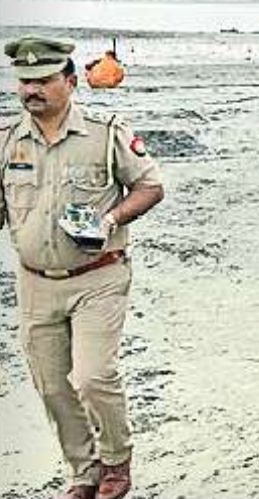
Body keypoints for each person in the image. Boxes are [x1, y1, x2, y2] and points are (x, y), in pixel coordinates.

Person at [1, 36, 165, 499]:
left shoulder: (104, 131)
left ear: (70, 82)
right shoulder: (7, 141)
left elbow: (150, 187)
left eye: (44, 80)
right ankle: (84, 472)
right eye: (25, 81)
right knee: (52, 386)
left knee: (93, 377)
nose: (32, 90)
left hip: (99, 277)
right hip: (35, 284)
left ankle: (116, 462)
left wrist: (110, 218)